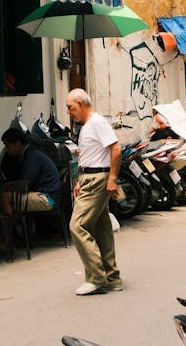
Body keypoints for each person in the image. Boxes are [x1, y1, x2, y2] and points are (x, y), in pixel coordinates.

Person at [66, 88, 123, 295]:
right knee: (102, 229)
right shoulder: (87, 126)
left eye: (70, 106)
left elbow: (116, 149)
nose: (69, 111)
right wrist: (80, 180)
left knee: (77, 226)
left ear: (81, 104)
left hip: (97, 180)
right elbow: (90, 156)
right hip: (90, 177)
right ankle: (112, 277)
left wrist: (112, 179)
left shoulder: (97, 122)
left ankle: (96, 277)